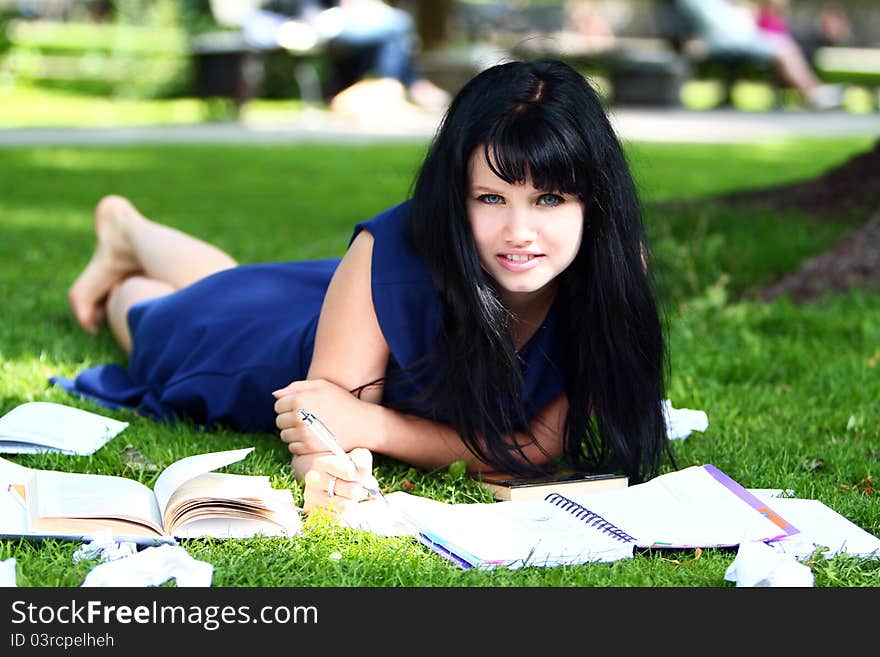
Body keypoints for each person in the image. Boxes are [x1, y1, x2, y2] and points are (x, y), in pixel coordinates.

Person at [62, 59, 672, 517]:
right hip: (266, 354)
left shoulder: (614, 267)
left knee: (232, 284)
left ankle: (129, 232)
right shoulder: (394, 252)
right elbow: (321, 416)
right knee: (158, 319)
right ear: (455, 196)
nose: (520, 232)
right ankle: (127, 250)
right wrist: (331, 457)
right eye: (491, 197)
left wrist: (374, 429)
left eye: (549, 199)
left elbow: (534, 449)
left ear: (595, 201)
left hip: (334, 306)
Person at [240, 0, 450, 116]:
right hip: (295, 25)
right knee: (398, 25)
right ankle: (404, 86)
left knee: (395, 28)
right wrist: (283, 30)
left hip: (328, 20)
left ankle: (396, 86)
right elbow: (256, 23)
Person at [675, 0, 842, 109]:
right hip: (727, 41)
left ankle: (813, 91)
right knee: (782, 47)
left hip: (735, 38)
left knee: (783, 44)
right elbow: (720, 26)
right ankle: (813, 93)